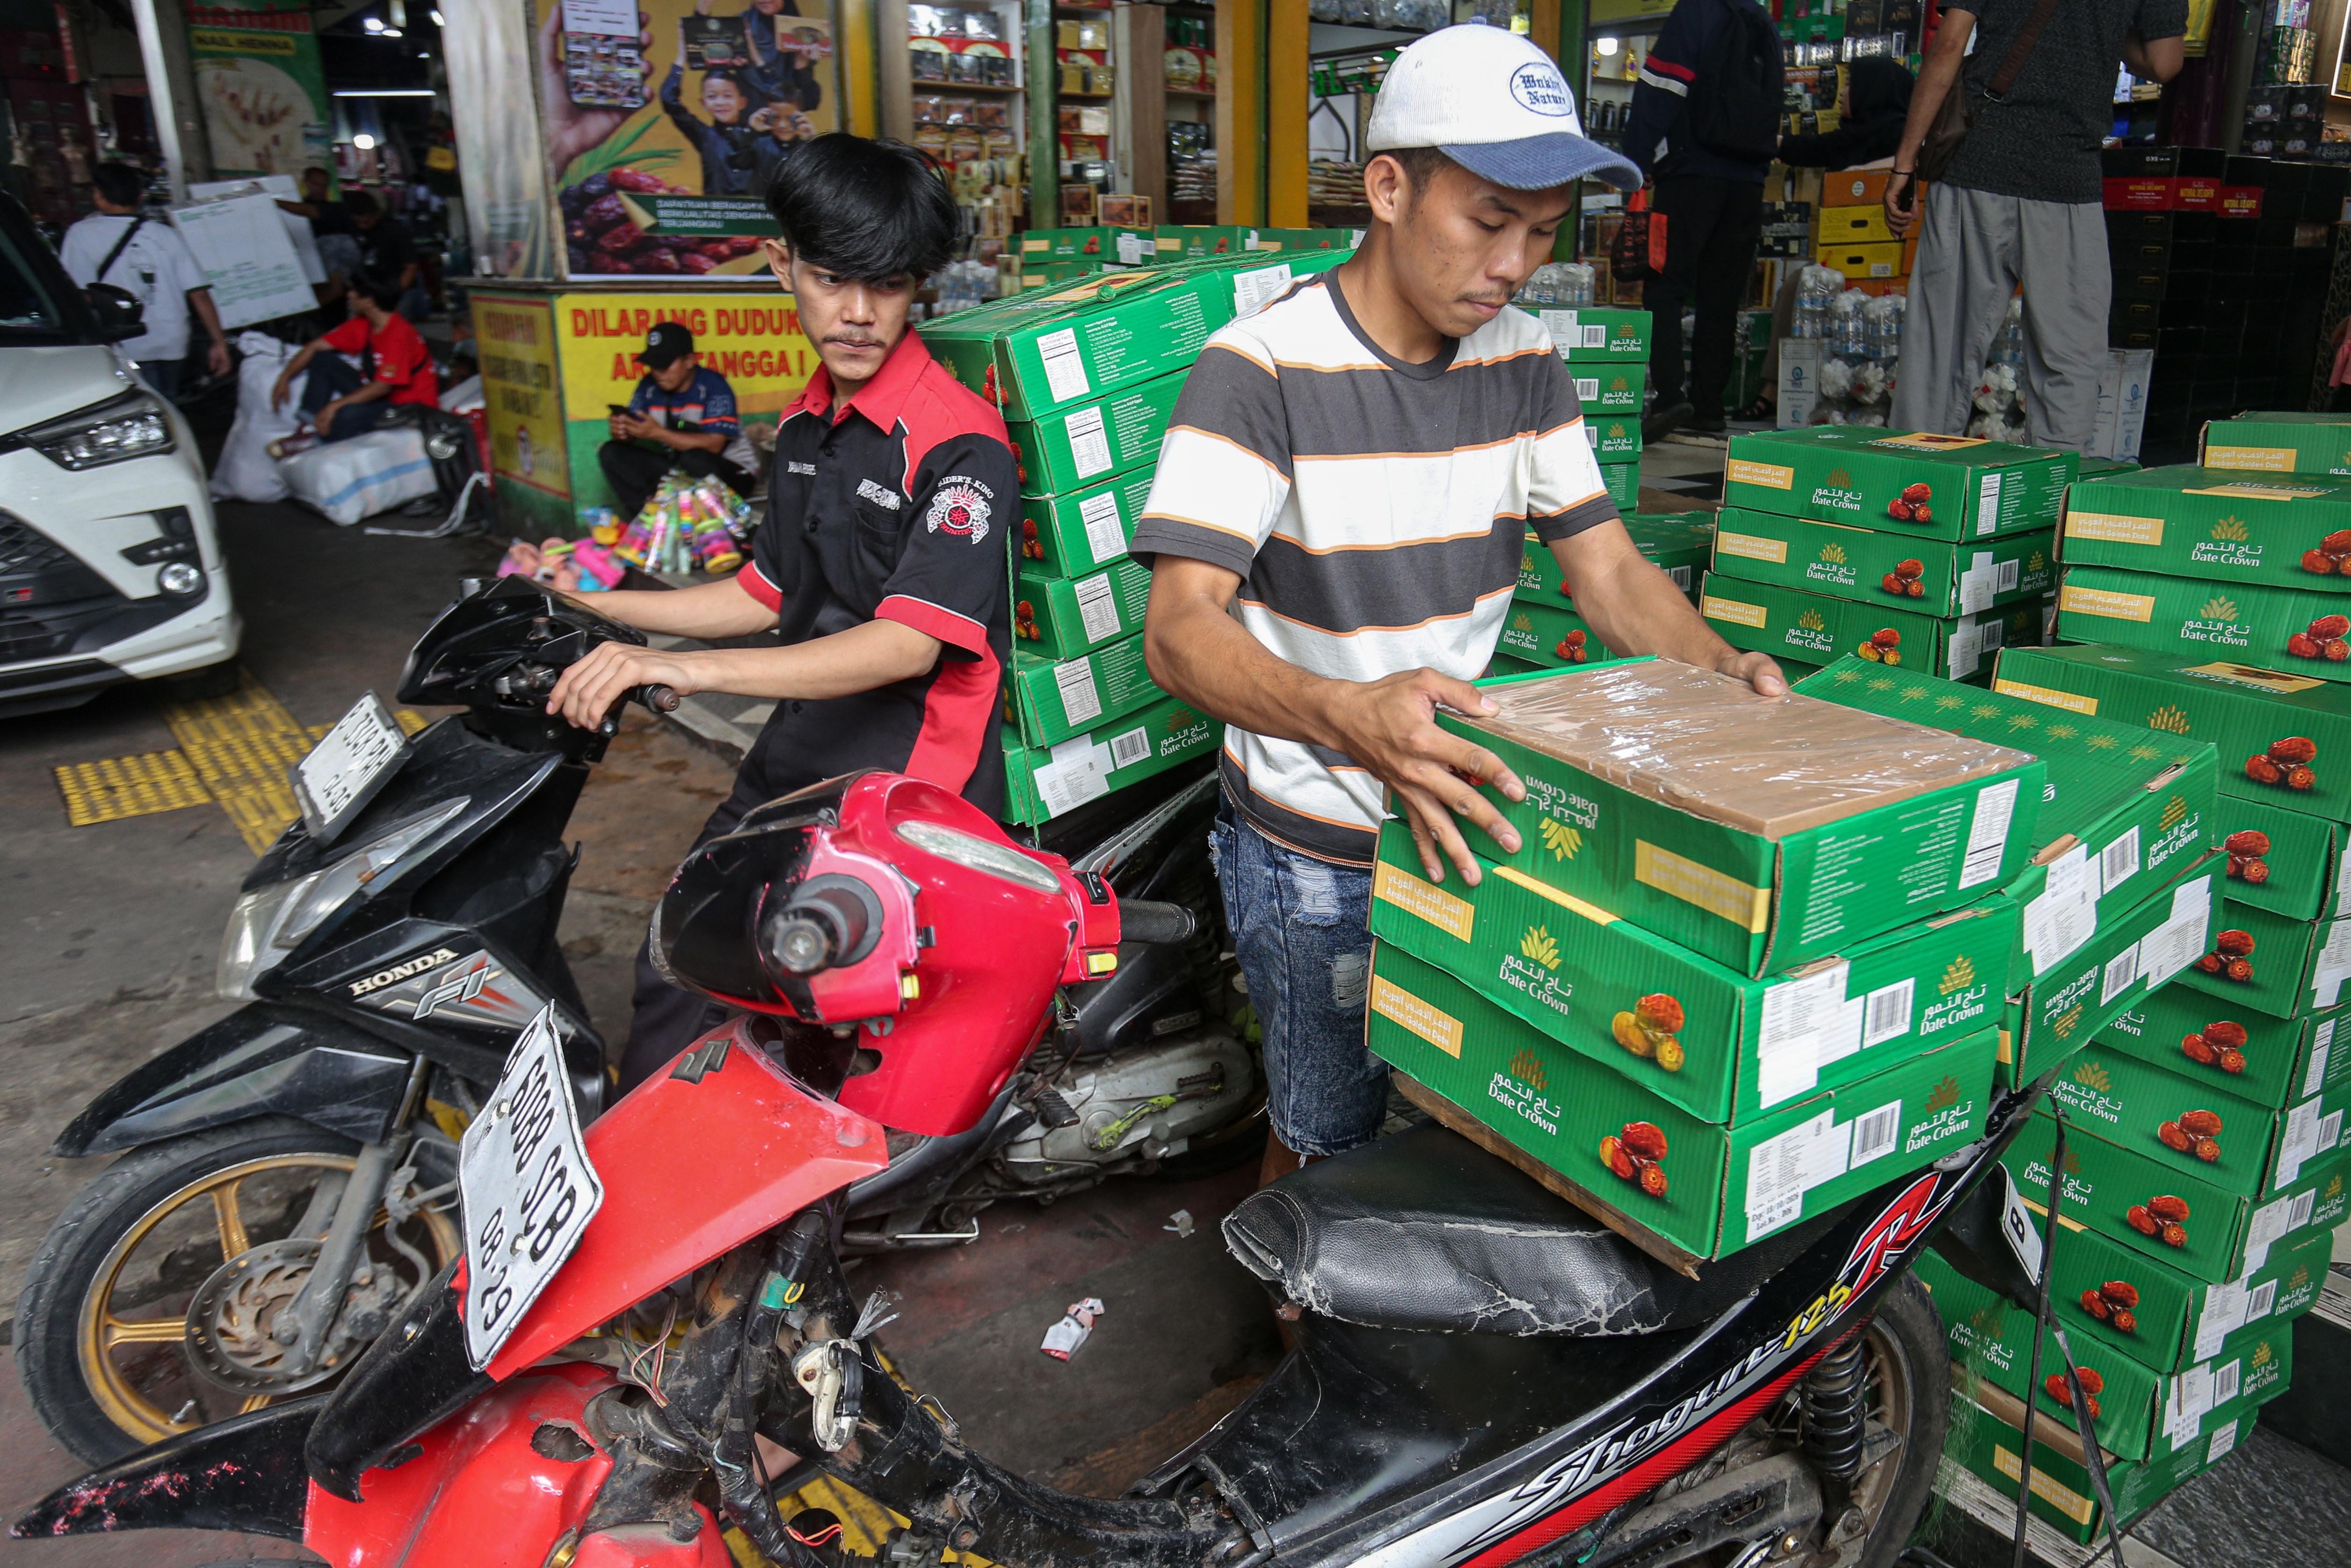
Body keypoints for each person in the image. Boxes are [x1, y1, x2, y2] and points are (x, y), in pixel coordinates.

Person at [1132, 25, 1787, 1184]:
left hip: (1460, 817)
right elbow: (1180, 629)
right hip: (1316, 846)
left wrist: (1722, 670)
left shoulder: (1525, 359)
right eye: (1489, 220)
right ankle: (1307, 1338)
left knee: (1450, 1120)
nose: (1514, 264)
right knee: (1327, 1132)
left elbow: (1612, 573)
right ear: (1388, 187)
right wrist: (1348, 717)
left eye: (1540, 234)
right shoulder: (1261, 368)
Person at [538, 134, 1014, 1090]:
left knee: (814, 1013)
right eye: (833, 278)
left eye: (886, 287)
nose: (857, 314)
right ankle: (657, 1190)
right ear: (780, 264)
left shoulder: (960, 442)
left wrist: (681, 667)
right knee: (678, 952)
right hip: (800, 748)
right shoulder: (803, 427)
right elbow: (768, 590)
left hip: (903, 782)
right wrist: (590, 602)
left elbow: (904, 641)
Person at [1886, 0, 2184, 450]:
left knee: (1940, 349)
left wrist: (1905, 163)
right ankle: (2053, 495)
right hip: (2068, 181)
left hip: (1979, 169)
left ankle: (1912, 484)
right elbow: (2164, 62)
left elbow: (1949, 44)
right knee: (2070, 360)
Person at [1623, 0, 1783, 439]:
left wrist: (1635, 159)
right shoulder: (1763, 21)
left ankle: (1671, 398)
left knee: (1665, 285)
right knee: (1722, 297)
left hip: (1692, 176)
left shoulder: (1696, 12)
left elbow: (1662, 88)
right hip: (1749, 183)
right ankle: (1710, 407)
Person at [1742, 57, 1917, 422]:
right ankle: (1776, 390)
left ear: (1873, 92)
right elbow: (1806, 148)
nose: (1842, 95)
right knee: (1794, 287)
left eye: (1851, 86)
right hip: (1841, 256)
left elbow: (1912, 161)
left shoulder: (1901, 132)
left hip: (1892, 262)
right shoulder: (1850, 136)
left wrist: (1863, 174)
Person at [58, 162, 232, 398]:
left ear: (98, 196)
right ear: (141, 196)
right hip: (172, 341)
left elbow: (80, 296)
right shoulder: (166, 235)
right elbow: (199, 293)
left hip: (126, 344)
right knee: (168, 401)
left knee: (145, 408)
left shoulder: (81, 234)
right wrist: (219, 343)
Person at [599, 320, 761, 521]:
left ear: (689, 360)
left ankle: (715, 526)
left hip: (732, 474)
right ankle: (648, 522)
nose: (658, 373)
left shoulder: (713, 386)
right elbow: (635, 432)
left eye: (665, 365)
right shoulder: (649, 386)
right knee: (612, 453)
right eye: (654, 366)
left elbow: (714, 445)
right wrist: (623, 432)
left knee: (694, 459)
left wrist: (656, 433)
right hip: (680, 471)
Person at [269, 273, 441, 443]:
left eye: (354, 292)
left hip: (408, 407)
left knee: (346, 413)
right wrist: (285, 377)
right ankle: (309, 425)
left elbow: (383, 388)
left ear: (370, 301)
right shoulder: (363, 324)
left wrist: (334, 406)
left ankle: (321, 442)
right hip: (380, 398)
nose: (349, 295)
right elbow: (315, 347)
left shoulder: (399, 334)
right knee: (323, 361)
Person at [660, 57, 801, 196]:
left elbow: (779, 94)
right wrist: (680, 61)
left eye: (728, 96)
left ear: (742, 102)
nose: (720, 102)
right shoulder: (705, 136)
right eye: (712, 97)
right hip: (718, 215)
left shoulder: (761, 133)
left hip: (757, 215)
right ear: (703, 103)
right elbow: (669, 101)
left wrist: (749, 65)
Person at [698, 0, 824, 114]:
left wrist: (801, 64)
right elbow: (703, 48)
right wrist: (703, 6)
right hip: (749, 117)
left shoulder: (802, 30)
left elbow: (806, 97)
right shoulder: (742, 24)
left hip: (785, 120)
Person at [345, 190, 431, 321]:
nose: (362, 226)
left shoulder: (395, 230)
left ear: (377, 215)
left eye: (367, 222)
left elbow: (411, 267)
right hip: (369, 291)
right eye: (359, 223)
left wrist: (395, 296)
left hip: (399, 291)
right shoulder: (353, 231)